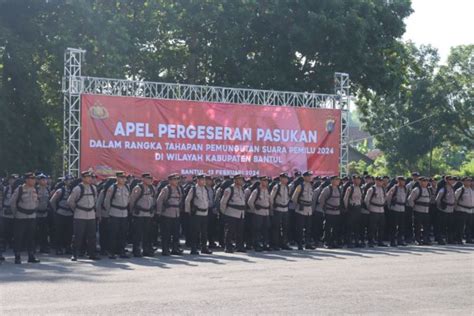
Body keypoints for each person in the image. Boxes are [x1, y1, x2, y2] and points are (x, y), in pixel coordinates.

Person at [67, 171, 100, 261]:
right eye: (87, 177)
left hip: (91, 215)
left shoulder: (93, 188)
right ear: (83, 178)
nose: (89, 178)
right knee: (78, 235)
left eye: (90, 177)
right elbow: (70, 201)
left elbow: (95, 200)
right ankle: (75, 254)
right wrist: (77, 210)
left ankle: (92, 254)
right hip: (80, 215)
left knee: (92, 236)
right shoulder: (78, 188)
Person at [10, 173, 40, 264]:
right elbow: (12, 203)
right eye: (32, 178)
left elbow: (37, 202)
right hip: (21, 216)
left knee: (31, 237)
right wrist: (16, 214)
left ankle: (31, 256)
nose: (34, 180)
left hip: (31, 216)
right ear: (26, 180)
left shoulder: (35, 189)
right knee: (18, 237)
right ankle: (17, 256)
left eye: (35, 178)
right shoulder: (19, 189)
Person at [104, 171, 130, 259]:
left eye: (124, 178)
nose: (124, 179)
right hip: (114, 212)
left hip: (124, 213)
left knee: (123, 233)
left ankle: (121, 251)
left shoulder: (127, 187)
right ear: (117, 178)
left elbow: (128, 200)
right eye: (122, 178)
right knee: (113, 233)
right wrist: (108, 213)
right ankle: (111, 252)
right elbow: (107, 201)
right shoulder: (112, 188)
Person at [129, 173, 156, 257]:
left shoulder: (152, 188)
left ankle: (146, 250)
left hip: (148, 214)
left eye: (151, 178)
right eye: (148, 178)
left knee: (147, 233)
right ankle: (136, 250)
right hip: (139, 214)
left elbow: (153, 199)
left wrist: (153, 210)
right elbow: (132, 201)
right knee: (138, 233)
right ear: (143, 179)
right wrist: (132, 212)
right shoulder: (138, 188)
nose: (150, 180)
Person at [185, 174, 212, 255]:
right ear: (198, 180)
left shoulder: (205, 189)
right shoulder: (193, 189)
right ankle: (193, 248)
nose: (204, 181)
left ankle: (204, 248)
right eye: (202, 180)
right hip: (196, 214)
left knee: (204, 232)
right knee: (195, 232)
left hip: (205, 213)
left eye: (204, 180)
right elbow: (187, 201)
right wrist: (189, 212)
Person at [157, 173, 183, 256]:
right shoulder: (166, 189)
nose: (176, 181)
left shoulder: (178, 189)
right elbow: (159, 201)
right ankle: (165, 249)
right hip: (167, 214)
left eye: (177, 179)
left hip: (176, 213)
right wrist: (159, 212)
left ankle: (175, 249)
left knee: (176, 233)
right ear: (170, 180)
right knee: (166, 233)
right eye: (174, 179)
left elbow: (180, 199)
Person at [220, 174, 246, 253]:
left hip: (240, 213)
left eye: (242, 179)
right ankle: (228, 247)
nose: (241, 181)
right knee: (230, 231)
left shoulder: (242, 189)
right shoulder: (229, 189)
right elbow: (223, 202)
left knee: (240, 231)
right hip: (231, 212)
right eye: (239, 179)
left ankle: (239, 246)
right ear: (235, 180)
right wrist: (224, 212)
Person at [50, 175, 74, 255]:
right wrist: (56, 210)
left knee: (69, 232)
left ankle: (68, 247)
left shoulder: (73, 190)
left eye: (71, 180)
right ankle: (58, 248)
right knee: (59, 232)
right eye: (69, 180)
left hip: (70, 214)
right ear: (65, 181)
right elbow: (52, 201)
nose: (70, 181)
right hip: (61, 213)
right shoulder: (60, 190)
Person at [292, 171, 315, 250]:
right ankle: (300, 244)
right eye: (308, 176)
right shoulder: (300, 186)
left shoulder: (311, 186)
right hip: (301, 209)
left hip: (309, 209)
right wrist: (299, 205)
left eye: (310, 176)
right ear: (304, 177)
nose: (309, 177)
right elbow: (294, 198)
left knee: (308, 228)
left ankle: (307, 243)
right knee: (300, 228)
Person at [248, 176, 271, 251]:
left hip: (266, 212)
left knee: (265, 229)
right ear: (261, 181)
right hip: (258, 213)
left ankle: (265, 244)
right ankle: (256, 245)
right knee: (257, 230)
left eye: (267, 181)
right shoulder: (256, 191)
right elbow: (250, 202)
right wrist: (255, 210)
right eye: (264, 181)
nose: (266, 182)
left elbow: (270, 201)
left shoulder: (267, 190)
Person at [319, 175, 342, 248]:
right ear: (332, 181)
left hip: (337, 212)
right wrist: (324, 208)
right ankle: (327, 242)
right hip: (329, 212)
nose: (338, 181)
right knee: (327, 228)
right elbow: (321, 199)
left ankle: (334, 242)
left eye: (338, 180)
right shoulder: (327, 189)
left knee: (336, 228)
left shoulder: (339, 189)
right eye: (336, 180)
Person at [407, 177, 432, 245]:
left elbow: (429, 199)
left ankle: (425, 239)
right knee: (417, 226)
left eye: (426, 181)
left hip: (426, 211)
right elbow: (410, 199)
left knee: (426, 226)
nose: (425, 182)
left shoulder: (428, 190)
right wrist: (414, 207)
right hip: (418, 210)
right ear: (420, 182)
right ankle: (417, 239)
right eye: (424, 181)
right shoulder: (416, 190)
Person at [270, 173, 291, 250]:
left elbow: (288, 197)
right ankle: (275, 244)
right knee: (276, 228)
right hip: (277, 209)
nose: (286, 180)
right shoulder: (276, 187)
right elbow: (271, 199)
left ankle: (284, 243)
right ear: (280, 179)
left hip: (285, 209)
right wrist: (273, 209)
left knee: (285, 227)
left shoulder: (288, 187)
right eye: (284, 178)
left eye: (286, 178)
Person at [364, 176, 387, 247]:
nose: (381, 182)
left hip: (381, 209)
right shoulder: (372, 189)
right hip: (374, 209)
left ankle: (380, 241)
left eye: (381, 181)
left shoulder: (383, 189)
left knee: (381, 226)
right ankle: (370, 241)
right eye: (379, 181)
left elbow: (384, 198)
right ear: (376, 181)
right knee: (372, 227)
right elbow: (366, 200)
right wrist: (369, 208)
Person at [385, 176, 407, 246]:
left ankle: (400, 240)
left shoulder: (405, 188)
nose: (403, 182)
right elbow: (388, 197)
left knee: (401, 226)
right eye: (401, 180)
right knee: (393, 226)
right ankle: (393, 241)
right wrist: (389, 206)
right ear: (398, 181)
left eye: (403, 181)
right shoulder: (395, 188)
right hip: (395, 208)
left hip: (402, 208)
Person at [343, 175, 363, 247]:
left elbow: (361, 199)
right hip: (352, 209)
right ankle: (349, 242)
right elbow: (345, 199)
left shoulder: (360, 188)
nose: (358, 181)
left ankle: (357, 241)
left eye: (359, 179)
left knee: (357, 226)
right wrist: (347, 208)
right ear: (353, 180)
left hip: (358, 208)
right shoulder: (350, 188)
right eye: (357, 179)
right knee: (350, 227)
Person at [435, 176, 456, 245]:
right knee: (441, 226)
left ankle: (450, 239)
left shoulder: (452, 188)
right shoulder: (443, 189)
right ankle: (440, 239)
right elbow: (437, 199)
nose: (452, 181)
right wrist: (440, 208)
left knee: (450, 225)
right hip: (444, 210)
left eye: (452, 179)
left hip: (451, 209)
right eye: (450, 179)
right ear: (446, 180)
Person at [453, 177, 473, 244]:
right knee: (460, 226)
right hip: (461, 210)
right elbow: (455, 199)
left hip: (470, 210)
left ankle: (468, 239)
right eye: (467, 181)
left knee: (469, 226)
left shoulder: (471, 190)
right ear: (463, 182)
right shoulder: (460, 190)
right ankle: (459, 239)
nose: (469, 182)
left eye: (470, 181)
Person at [35, 174, 51, 253]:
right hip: (36, 213)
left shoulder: (48, 189)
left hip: (44, 213)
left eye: (45, 179)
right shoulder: (35, 189)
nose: (45, 181)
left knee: (44, 231)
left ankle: (43, 247)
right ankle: (33, 247)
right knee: (34, 231)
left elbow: (49, 200)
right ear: (38, 180)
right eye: (42, 179)